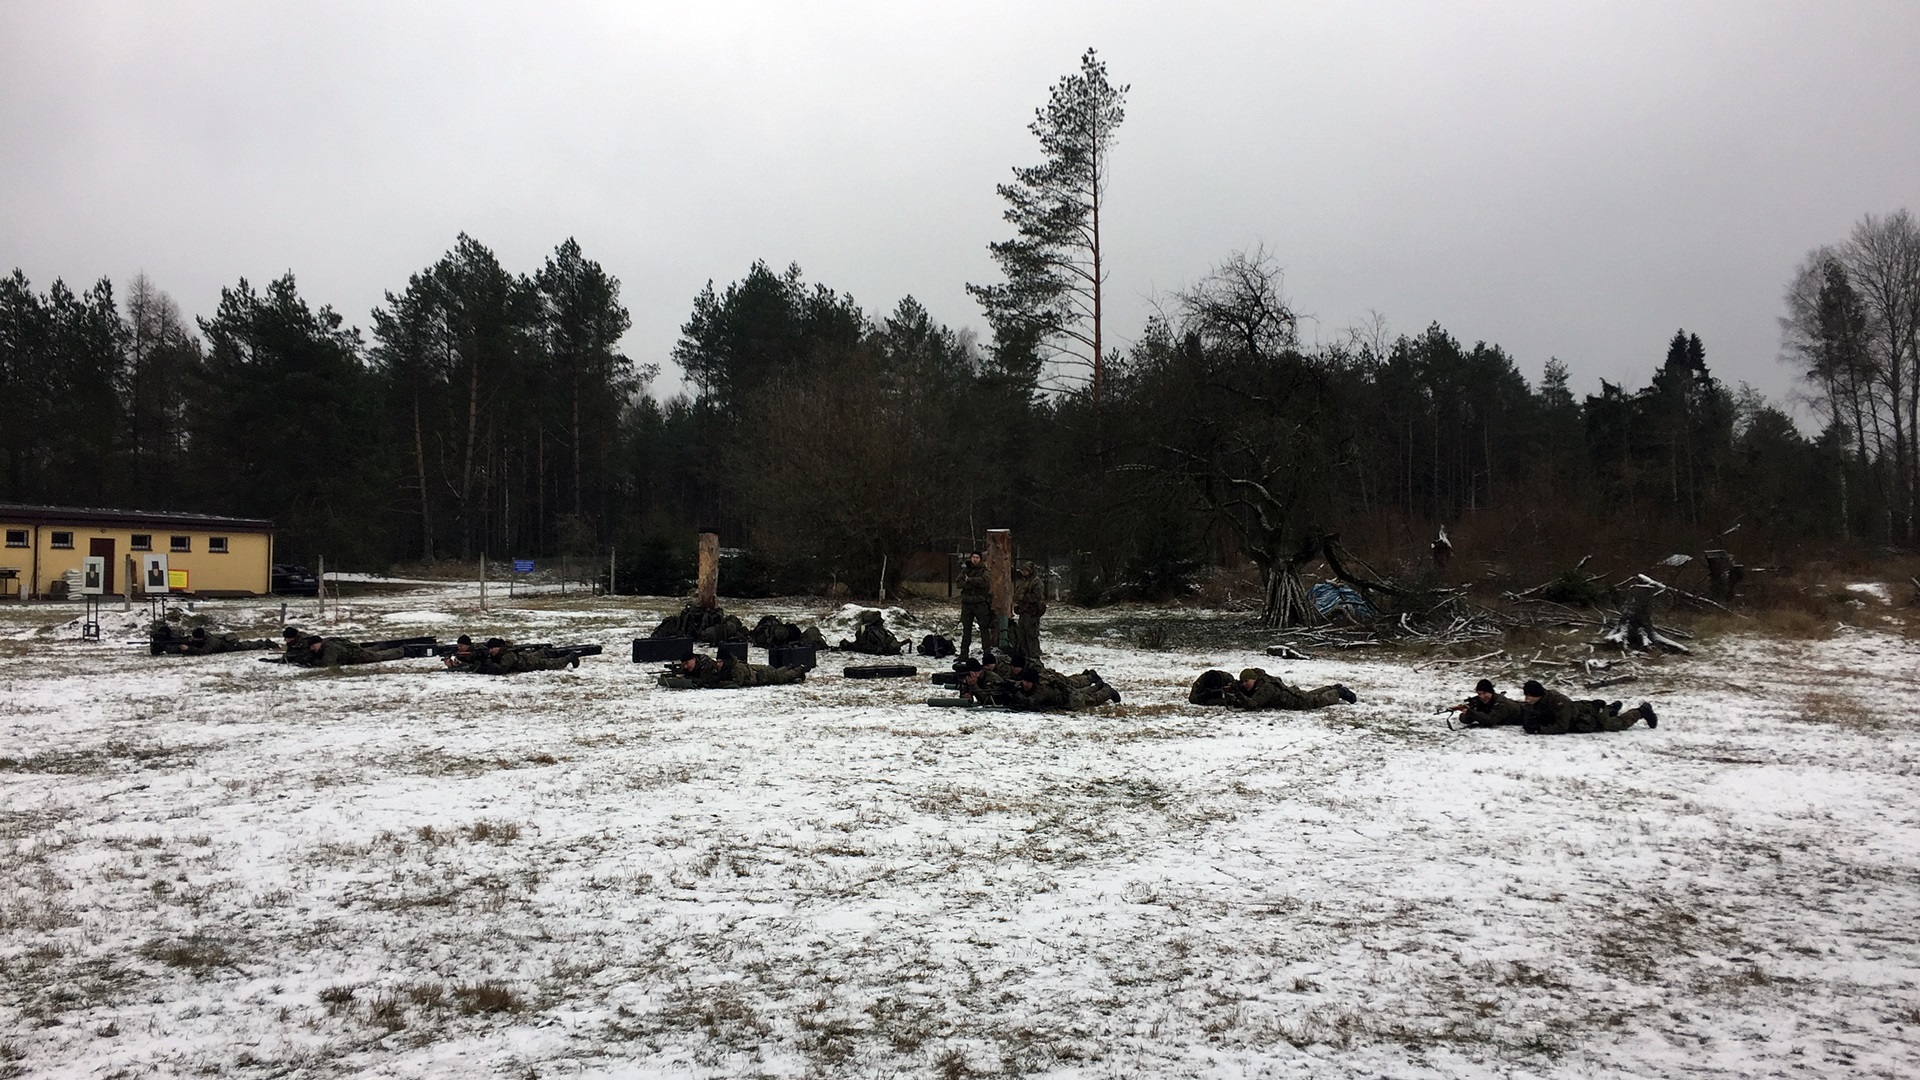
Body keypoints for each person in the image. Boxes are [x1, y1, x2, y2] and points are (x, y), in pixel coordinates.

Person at [1519, 679, 1657, 734]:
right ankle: (1611, 709)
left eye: (1529, 695)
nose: (1527, 699)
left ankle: (1641, 711)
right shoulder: (1537, 702)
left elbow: (1562, 726)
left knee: (1612, 725)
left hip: (1587, 717)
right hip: (1582, 710)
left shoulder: (1558, 702)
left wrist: (1539, 729)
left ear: (1537, 694)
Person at [1191, 667, 1356, 710]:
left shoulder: (1265, 688)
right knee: (1309, 693)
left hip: (1295, 702)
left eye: (1246, 682)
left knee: (1315, 701)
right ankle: (1332, 686)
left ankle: (1338, 692)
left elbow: (1253, 705)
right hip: (1290, 694)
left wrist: (1238, 694)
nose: (1245, 685)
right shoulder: (1259, 683)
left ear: (1254, 679)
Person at [659, 653, 805, 689]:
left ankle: (799, 669)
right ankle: (789, 666)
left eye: (687, 663)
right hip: (755, 671)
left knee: (780, 678)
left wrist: (719, 684)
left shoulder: (736, 669)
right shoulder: (726, 666)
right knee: (778, 672)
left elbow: (737, 683)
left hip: (759, 676)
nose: (718, 664)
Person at [957, 551, 994, 658]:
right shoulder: (965, 570)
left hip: (980, 603)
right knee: (966, 629)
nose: (975, 559)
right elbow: (959, 583)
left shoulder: (984, 571)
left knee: (984, 629)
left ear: (980, 559)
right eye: (973, 557)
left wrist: (970, 580)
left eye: (977, 557)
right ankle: (964, 654)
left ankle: (987, 654)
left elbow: (985, 583)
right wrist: (972, 583)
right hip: (967, 603)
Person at [1448, 678, 1526, 727]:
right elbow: (1465, 720)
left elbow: (1490, 720)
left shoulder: (1500, 703)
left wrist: (1472, 712)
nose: (1482, 696)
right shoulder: (1479, 701)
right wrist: (1468, 712)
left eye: (1485, 693)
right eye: (1479, 694)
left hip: (1525, 715)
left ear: (1491, 692)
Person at [1012, 561, 1047, 659]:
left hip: (1032, 614)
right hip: (1023, 613)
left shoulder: (1036, 582)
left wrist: (1024, 598)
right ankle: (1027, 657)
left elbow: (1037, 597)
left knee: (1031, 637)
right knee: (1022, 636)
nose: (1024, 572)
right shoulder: (1024, 582)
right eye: (1023, 570)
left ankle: (1034, 659)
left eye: (1027, 570)